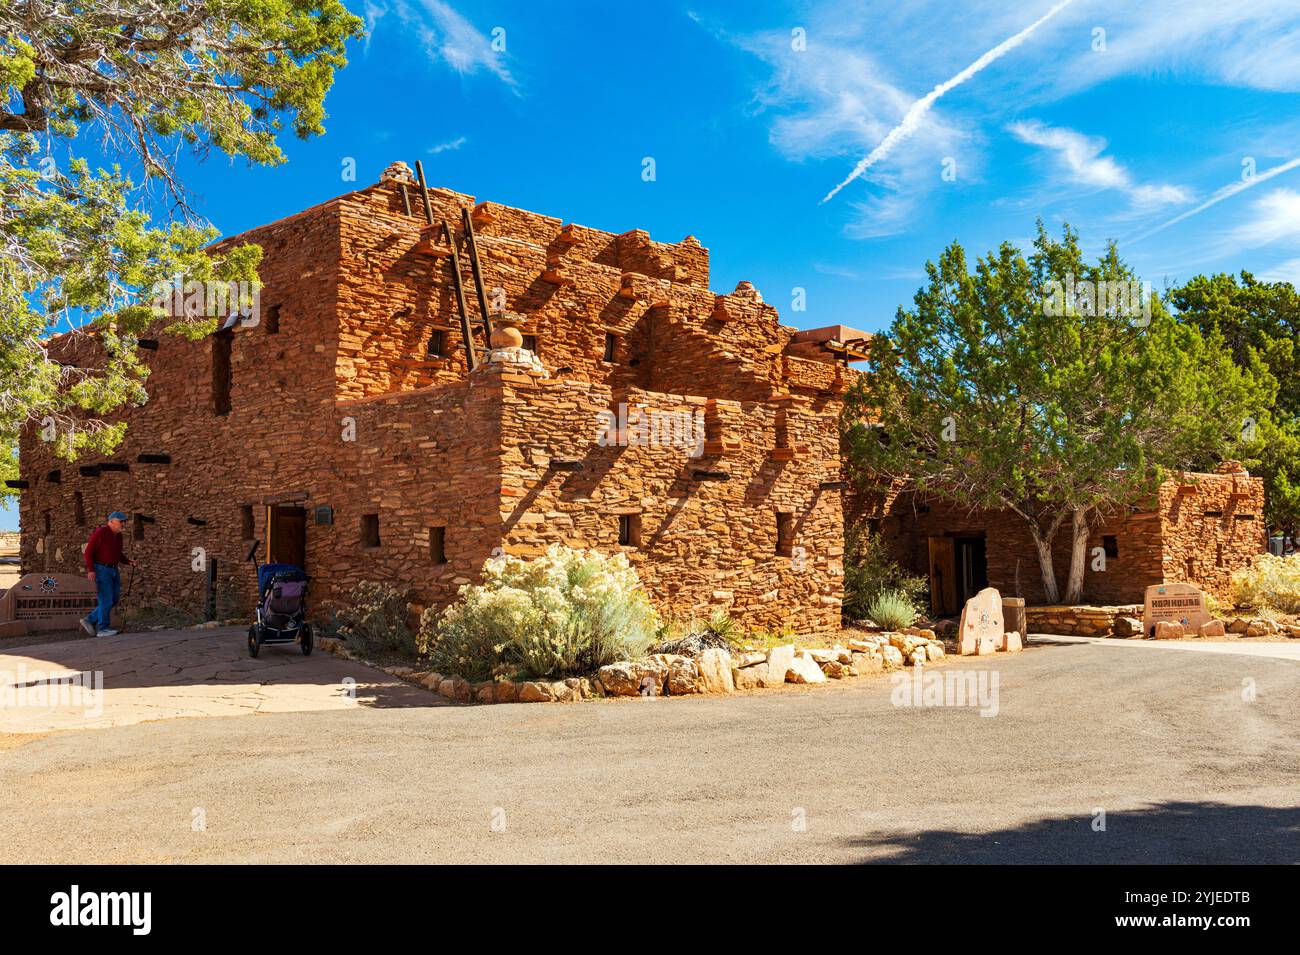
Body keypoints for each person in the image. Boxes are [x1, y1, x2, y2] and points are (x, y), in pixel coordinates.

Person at [80, 511, 135, 637]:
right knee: (106, 600)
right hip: (101, 569)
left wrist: (128, 561)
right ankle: (102, 628)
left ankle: (89, 620)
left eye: (124, 521)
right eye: (121, 521)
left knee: (114, 599)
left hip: (113, 569)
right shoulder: (101, 532)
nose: (123, 523)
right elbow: (88, 552)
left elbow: (117, 553)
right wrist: (91, 570)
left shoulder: (118, 536)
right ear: (111, 521)